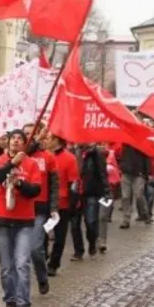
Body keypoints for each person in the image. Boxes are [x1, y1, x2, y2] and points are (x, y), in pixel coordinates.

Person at [0, 129, 41, 307]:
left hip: (24, 221)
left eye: (20, 139)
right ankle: (9, 302)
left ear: (25, 144)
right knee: (6, 267)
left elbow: (35, 190)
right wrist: (11, 163)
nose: (16, 142)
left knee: (22, 264)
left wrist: (19, 182)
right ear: (8, 143)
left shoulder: (32, 164)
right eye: (13, 139)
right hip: (2, 219)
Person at [23, 124, 58, 296]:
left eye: (32, 134)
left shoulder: (48, 157)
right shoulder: (19, 157)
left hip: (39, 209)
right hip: (21, 209)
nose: (28, 137)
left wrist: (53, 207)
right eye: (25, 134)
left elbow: (54, 185)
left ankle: (42, 277)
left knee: (36, 248)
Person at [46, 134, 80, 277]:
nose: (46, 140)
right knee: (42, 233)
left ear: (57, 141)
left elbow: (74, 182)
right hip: (44, 201)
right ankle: (42, 258)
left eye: (49, 138)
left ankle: (54, 263)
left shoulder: (69, 158)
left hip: (62, 203)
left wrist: (73, 203)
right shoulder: (45, 156)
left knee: (59, 236)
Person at [73, 143, 111, 261]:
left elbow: (102, 173)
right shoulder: (73, 152)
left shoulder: (97, 154)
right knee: (74, 224)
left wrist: (106, 191)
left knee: (90, 221)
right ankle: (78, 251)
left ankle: (92, 243)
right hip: (75, 193)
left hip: (91, 192)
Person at [118, 143, 151, 228]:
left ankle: (145, 214)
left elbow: (147, 160)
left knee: (139, 195)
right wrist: (122, 167)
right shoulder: (125, 145)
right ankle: (126, 219)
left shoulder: (143, 146)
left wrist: (147, 173)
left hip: (139, 174)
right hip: (126, 173)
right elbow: (119, 156)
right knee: (125, 196)